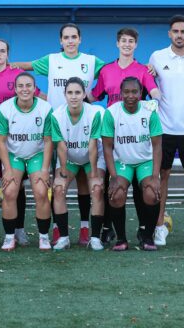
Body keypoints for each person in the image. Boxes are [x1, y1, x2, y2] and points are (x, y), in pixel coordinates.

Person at [13, 23, 105, 246]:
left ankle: (86, 229)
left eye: (74, 37)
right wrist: (0, 65)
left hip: (82, 130)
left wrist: (146, 69)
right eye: (66, 37)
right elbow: (25, 66)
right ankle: (58, 230)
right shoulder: (52, 60)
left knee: (86, 184)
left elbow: (113, 71)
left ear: (80, 39)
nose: (70, 41)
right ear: (61, 41)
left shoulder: (91, 61)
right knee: (58, 183)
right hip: (58, 130)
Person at [92, 27, 160, 245]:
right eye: (123, 41)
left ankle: (144, 230)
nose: (127, 44)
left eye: (131, 41)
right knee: (111, 185)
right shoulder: (106, 70)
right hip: (113, 134)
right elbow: (94, 95)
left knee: (143, 189)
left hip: (137, 133)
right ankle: (109, 229)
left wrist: (157, 100)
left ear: (136, 45)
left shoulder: (143, 70)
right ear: (117, 43)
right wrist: (71, 97)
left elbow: (154, 93)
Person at [148, 15, 184, 246]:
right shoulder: (157, 57)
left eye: (183, 31)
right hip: (164, 128)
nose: (179, 35)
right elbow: (148, 83)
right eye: (175, 31)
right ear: (169, 34)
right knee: (162, 175)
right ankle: (159, 226)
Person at [0, 39, 39, 245]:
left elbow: (36, 97)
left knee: (16, 185)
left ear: (8, 54)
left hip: (12, 142)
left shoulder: (17, 74)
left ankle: (18, 230)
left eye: (2, 51)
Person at [101, 76, 163, 251]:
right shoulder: (111, 113)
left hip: (145, 161)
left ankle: (147, 237)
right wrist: (113, 177)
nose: (130, 96)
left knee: (152, 192)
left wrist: (155, 176)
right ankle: (121, 239)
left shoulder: (149, 111)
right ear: (120, 93)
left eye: (134, 92)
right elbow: (107, 147)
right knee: (116, 194)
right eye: (126, 92)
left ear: (141, 92)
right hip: (123, 162)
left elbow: (157, 146)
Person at [0, 72, 54, 251]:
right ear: (15, 89)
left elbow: (48, 141)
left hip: (37, 154)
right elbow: (1, 141)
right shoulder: (5, 109)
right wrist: (7, 169)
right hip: (14, 155)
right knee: (9, 191)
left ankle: (43, 237)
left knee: (41, 192)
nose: (25, 89)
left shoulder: (45, 108)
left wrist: (45, 169)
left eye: (28, 85)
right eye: (20, 86)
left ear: (35, 88)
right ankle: (9, 237)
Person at [50, 77, 105, 251]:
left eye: (77, 92)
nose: (73, 96)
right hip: (69, 158)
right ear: (64, 94)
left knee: (97, 188)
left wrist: (94, 173)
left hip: (93, 157)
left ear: (83, 94)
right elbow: (61, 147)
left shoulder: (95, 113)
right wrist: (63, 172)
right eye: (70, 93)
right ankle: (64, 238)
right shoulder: (56, 116)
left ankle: (95, 238)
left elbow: (93, 145)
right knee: (58, 189)